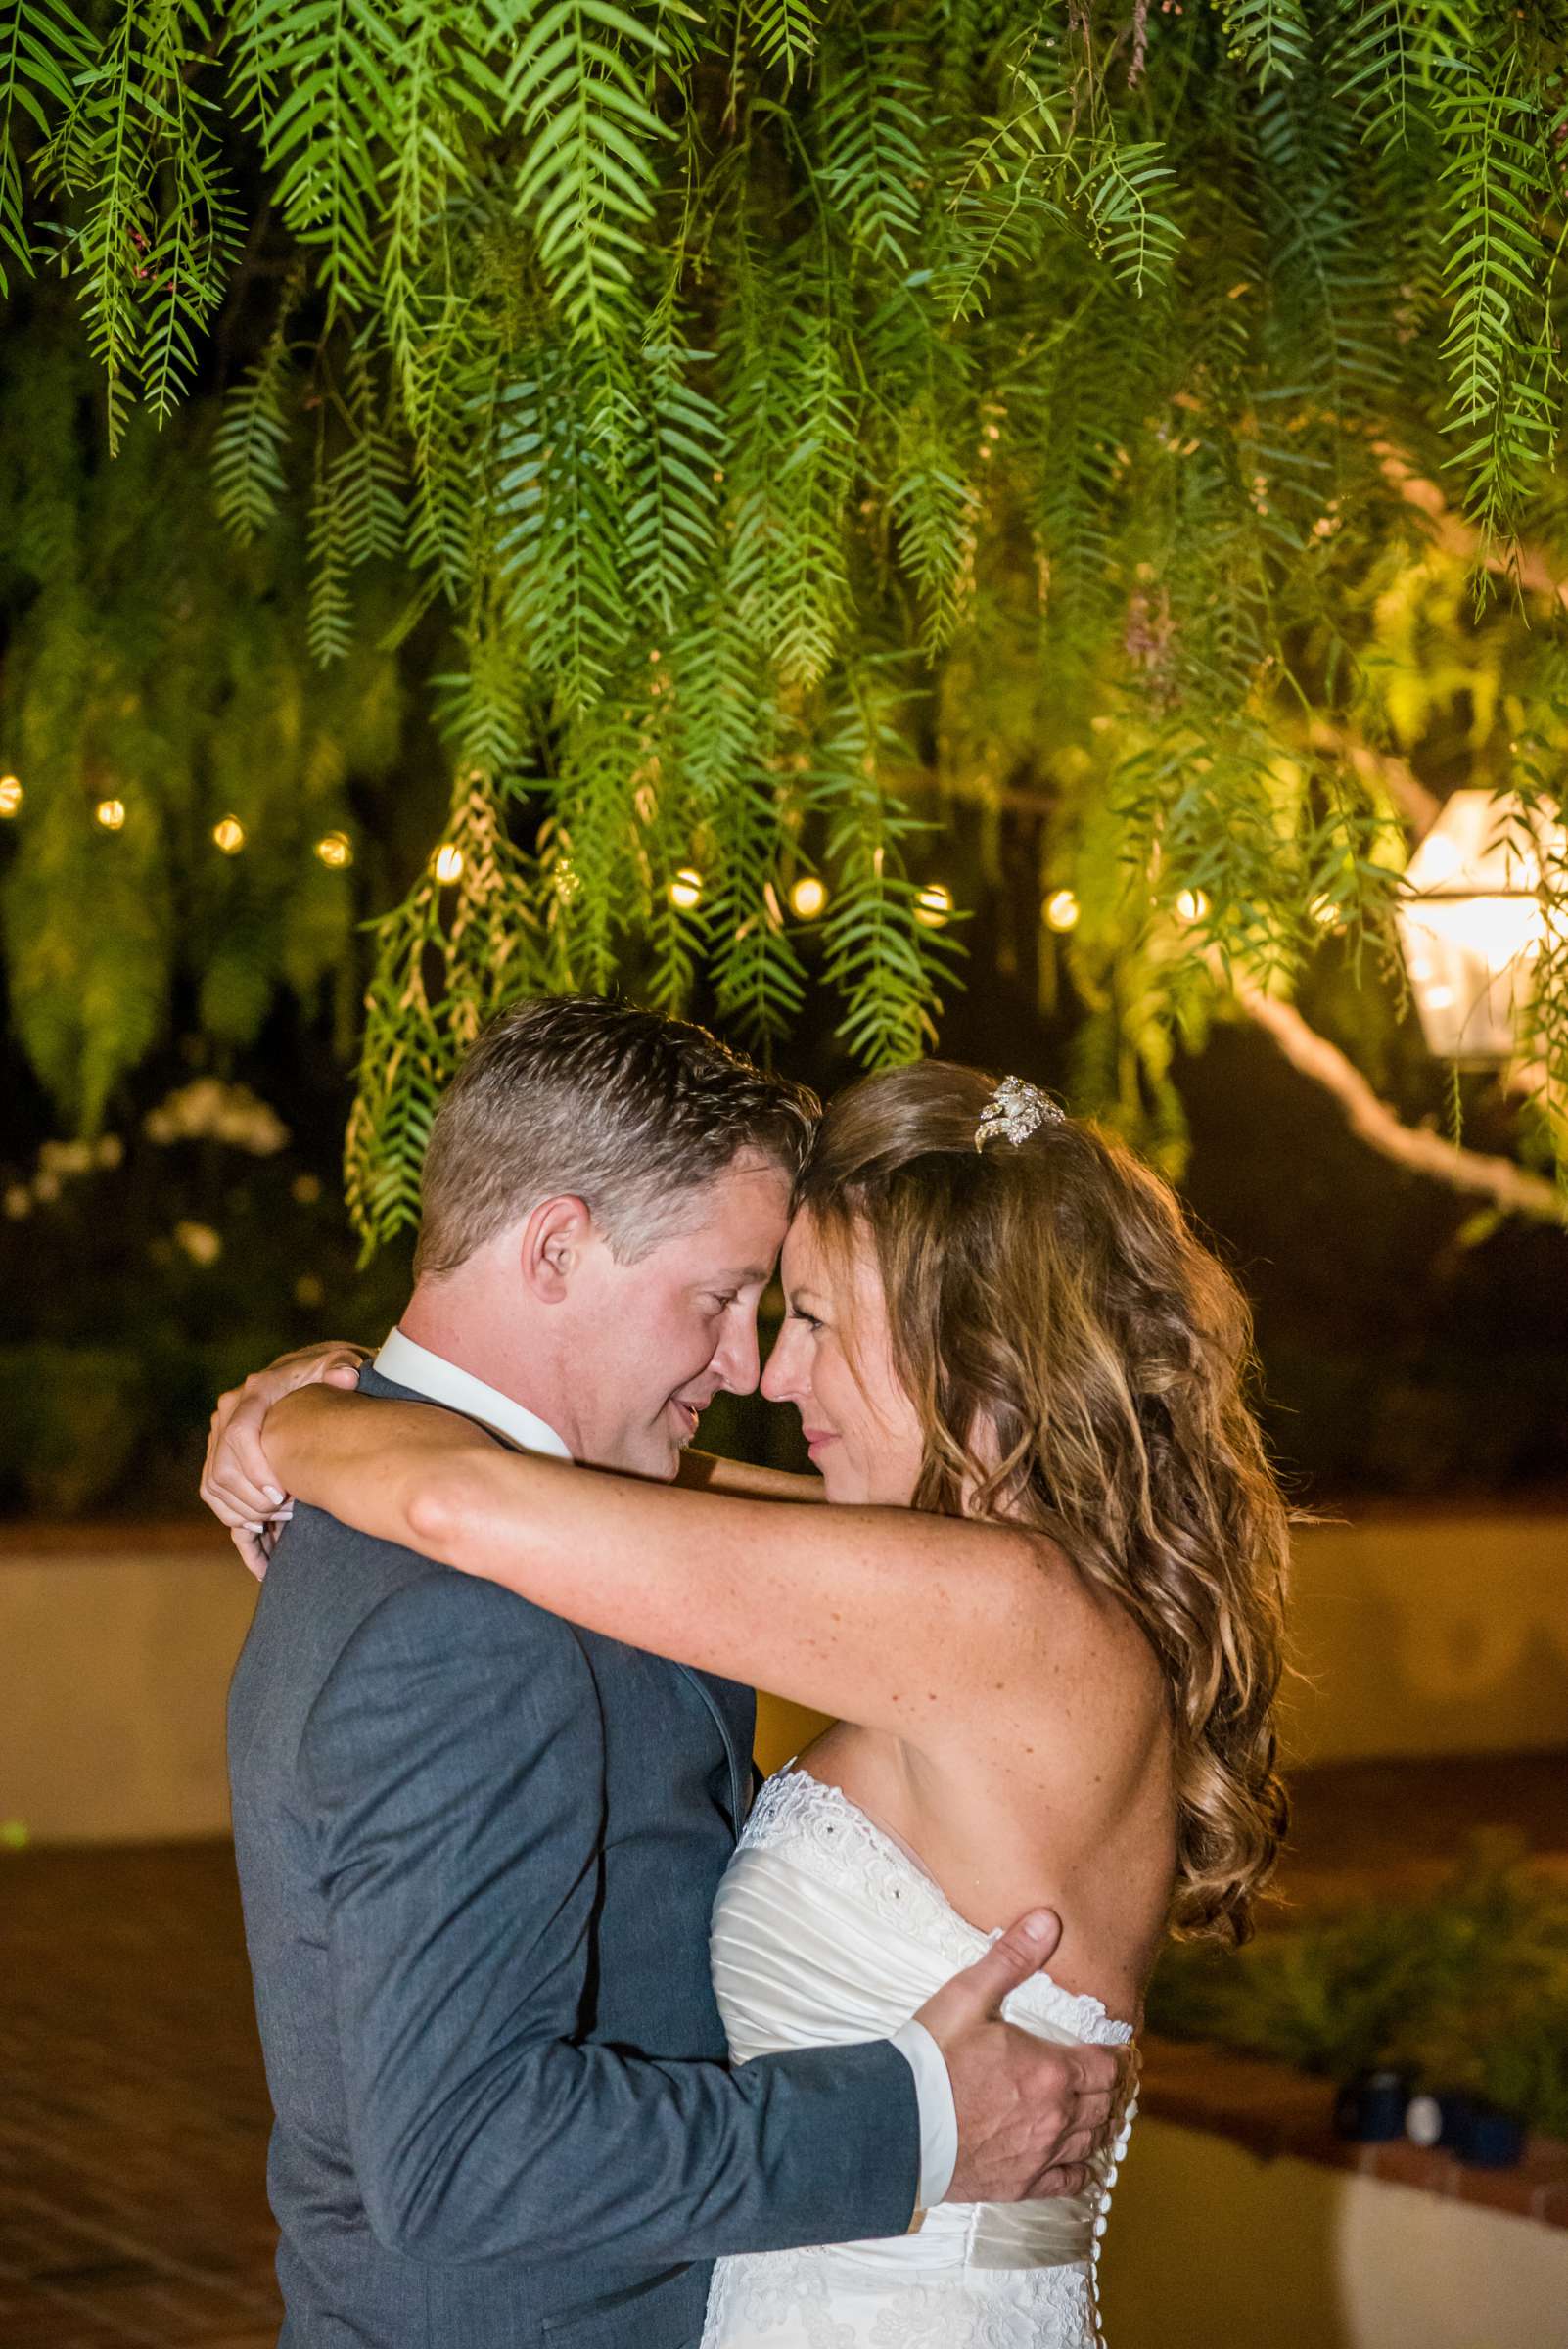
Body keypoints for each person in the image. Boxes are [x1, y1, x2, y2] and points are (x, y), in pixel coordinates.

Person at [208, 1000, 1123, 2349]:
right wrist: (921, 2120)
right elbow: (465, 2156)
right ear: (558, 1246)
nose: (748, 1364)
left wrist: (299, 1424)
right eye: (722, 1299)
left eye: (790, 1314)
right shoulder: (467, 1612)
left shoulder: (543, 1527)